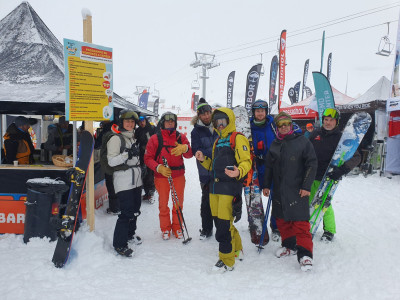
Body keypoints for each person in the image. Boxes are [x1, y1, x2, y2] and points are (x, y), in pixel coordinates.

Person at [195, 107, 251, 273]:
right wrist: (204, 159)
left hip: (228, 188)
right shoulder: (218, 141)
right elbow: (212, 166)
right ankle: (237, 248)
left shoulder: (238, 138)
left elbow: (246, 162)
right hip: (214, 188)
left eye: (223, 122)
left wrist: (238, 171)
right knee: (222, 222)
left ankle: (226, 260)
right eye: (216, 123)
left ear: (229, 121)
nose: (220, 126)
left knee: (223, 226)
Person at [262, 112, 317, 271]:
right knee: (282, 221)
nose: (284, 126)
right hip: (280, 190)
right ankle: (289, 246)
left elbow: (312, 164)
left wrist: (306, 186)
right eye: (281, 124)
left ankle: (305, 254)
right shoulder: (275, 144)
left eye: (287, 123)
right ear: (277, 127)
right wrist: (266, 185)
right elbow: (269, 167)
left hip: (298, 190)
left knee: (300, 223)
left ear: (291, 124)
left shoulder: (302, 142)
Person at [308, 108, 361, 242]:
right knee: (310, 202)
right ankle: (309, 225)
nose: (328, 122)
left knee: (324, 203)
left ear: (336, 122)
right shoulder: (315, 134)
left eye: (331, 120)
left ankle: (329, 230)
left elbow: (356, 157)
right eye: (326, 120)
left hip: (329, 176)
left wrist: (342, 170)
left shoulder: (341, 137)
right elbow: (306, 150)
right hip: (312, 174)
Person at [144, 111, 193, 240]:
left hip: (178, 176)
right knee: (163, 203)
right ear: (162, 123)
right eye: (167, 121)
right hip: (162, 176)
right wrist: (158, 167)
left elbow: (189, 155)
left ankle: (177, 227)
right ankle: (165, 228)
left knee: (178, 203)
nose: (170, 123)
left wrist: (186, 148)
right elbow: (147, 158)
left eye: (172, 121)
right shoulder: (155, 138)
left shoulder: (180, 137)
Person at [106, 110, 143, 257]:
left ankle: (129, 234)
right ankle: (120, 244)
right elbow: (112, 161)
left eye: (132, 122)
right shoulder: (116, 139)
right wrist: (128, 154)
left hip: (136, 179)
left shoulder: (132, 138)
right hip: (123, 180)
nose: (130, 124)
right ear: (121, 123)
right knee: (126, 212)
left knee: (135, 210)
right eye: (127, 121)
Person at [249, 99, 281, 241]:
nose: (260, 113)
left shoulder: (273, 124)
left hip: (272, 166)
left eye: (262, 111)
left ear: (266, 112)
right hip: (255, 166)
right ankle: (256, 225)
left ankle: (275, 227)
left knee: (275, 197)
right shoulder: (248, 126)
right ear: (254, 112)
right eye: (257, 111)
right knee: (254, 198)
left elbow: (289, 130)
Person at [190, 98, 218, 240]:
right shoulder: (196, 131)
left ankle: (221, 228)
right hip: (205, 172)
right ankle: (207, 229)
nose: (206, 116)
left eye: (208, 113)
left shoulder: (220, 125)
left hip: (220, 171)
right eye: (203, 114)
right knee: (206, 202)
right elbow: (196, 149)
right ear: (199, 116)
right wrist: (213, 154)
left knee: (221, 200)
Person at [97, 120, 121, 215]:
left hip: (109, 163)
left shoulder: (106, 132)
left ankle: (115, 208)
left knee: (111, 185)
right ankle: (118, 206)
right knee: (117, 185)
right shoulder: (119, 131)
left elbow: (97, 144)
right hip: (118, 163)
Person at [135, 115, 156, 203]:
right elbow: (135, 141)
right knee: (144, 175)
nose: (142, 123)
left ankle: (151, 194)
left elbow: (157, 140)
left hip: (152, 156)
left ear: (146, 121)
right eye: (140, 122)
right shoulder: (138, 130)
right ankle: (147, 193)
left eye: (143, 121)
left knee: (150, 175)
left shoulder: (152, 128)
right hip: (142, 156)